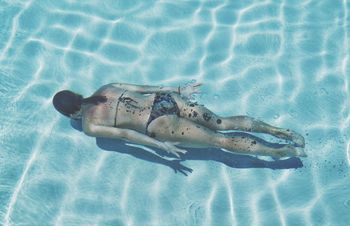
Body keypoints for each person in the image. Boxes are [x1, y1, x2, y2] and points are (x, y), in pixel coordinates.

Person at [52, 82, 306, 159]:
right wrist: (178, 90)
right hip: (166, 101)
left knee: (219, 140)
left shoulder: (90, 127)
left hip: (156, 124)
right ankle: (281, 131)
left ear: (70, 114)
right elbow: (144, 87)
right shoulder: (107, 88)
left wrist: (161, 146)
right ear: (78, 95)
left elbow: (128, 137)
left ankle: (282, 151)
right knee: (223, 123)